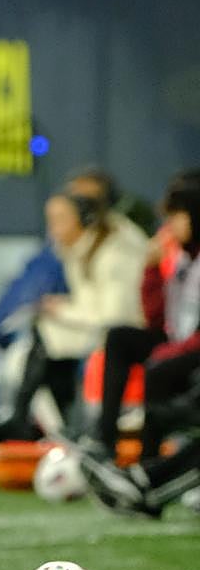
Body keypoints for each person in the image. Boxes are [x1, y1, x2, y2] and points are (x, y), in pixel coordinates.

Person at [0, 192, 146, 438]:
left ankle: (48, 430)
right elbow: (90, 304)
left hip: (125, 337)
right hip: (95, 333)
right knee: (24, 354)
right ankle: (58, 430)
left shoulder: (114, 254)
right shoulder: (78, 251)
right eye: (51, 220)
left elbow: (117, 317)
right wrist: (64, 307)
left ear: (85, 219)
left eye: (60, 219)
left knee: (31, 351)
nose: (54, 229)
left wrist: (63, 310)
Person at [87, 171, 200, 462]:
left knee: (158, 368)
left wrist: (168, 351)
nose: (169, 226)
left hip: (191, 350)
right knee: (120, 338)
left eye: (176, 217)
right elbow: (155, 320)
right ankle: (104, 438)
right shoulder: (183, 258)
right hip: (178, 342)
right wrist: (151, 271)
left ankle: (148, 460)